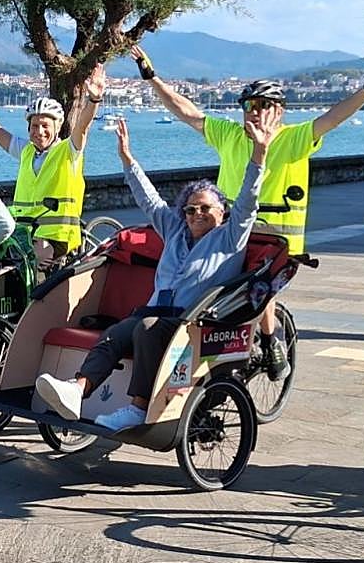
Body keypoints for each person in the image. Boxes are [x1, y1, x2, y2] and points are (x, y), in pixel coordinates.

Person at [130, 43, 364, 381]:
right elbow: (186, 111)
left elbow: (334, 117)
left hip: (278, 241)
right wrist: (151, 77)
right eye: (249, 106)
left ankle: (272, 341)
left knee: (258, 288)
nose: (254, 112)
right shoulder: (230, 135)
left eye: (263, 106)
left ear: (279, 111)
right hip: (232, 234)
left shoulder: (295, 138)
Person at [35, 113, 269, 434]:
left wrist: (260, 153)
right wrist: (127, 159)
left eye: (205, 208)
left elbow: (249, 200)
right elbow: (150, 201)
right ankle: (77, 390)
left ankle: (138, 408)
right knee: (117, 332)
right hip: (156, 314)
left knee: (145, 327)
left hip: (193, 322)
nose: (196, 214)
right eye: (190, 209)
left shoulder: (230, 236)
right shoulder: (175, 230)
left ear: (222, 212)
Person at [0, 66, 104, 259]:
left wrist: (93, 100)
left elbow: (82, 127)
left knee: (34, 265)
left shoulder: (68, 151)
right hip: (23, 232)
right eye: (34, 126)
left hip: (56, 235)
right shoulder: (26, 151)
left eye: (45, 126)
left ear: (57, 127)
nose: (39, 131)